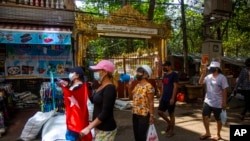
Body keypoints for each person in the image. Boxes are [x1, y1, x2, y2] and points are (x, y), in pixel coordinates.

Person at [80, 60, 117, 141]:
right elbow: (94, 101)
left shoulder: (109, 88)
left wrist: (89, 128)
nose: (95, 73)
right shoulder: (101, 86)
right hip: (99, 127)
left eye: (97, 70)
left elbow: (105, 113)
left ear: (105, 72)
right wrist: (87, 88)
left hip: (106, 129)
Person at [58, 66, 92, 141]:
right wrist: (67, 87)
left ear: (77, 75)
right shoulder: (77, 86)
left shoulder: (79, 88)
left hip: (76, 119)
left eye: (71, 72)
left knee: (73, 137)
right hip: (75, 118)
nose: (69, 74)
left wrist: (66, 89)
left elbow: (75, 101)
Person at [198, 61, 228, 141]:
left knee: (218, 119)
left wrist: (224, 102)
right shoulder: (208, 77)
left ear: (217, 69)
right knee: (205, 116)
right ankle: (207, 133)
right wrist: (203, 73)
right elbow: (200, 82)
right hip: (207, 101)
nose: (210, 69)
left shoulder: (222, 78)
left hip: (218, 102)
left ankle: (218, 134)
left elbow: (225, 90)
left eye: (211, 68)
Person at [127, 65, 155, 141]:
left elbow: (151, 102)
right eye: (137, 71)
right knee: (136, 136)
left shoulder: (149, 86)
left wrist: (151, 116)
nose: (137, 73)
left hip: (144, 115)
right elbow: (130, 98)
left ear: (145, 75)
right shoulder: (137, 85)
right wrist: (129, 88)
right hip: (135, 114)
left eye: (140, 72)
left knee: (141, 136)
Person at [157, 61, 178, 138]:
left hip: (170, 98)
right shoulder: (165, 75)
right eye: (163, 66)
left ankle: (171, 131)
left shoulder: (174, 75)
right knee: (159, 112)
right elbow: (163, 86)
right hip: (164, 97)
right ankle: (169, 123)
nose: (163, 68)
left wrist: (172, 98)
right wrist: (161, 96)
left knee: (171, 114)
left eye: (165, 66)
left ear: (169, 66)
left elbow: (175, 86)